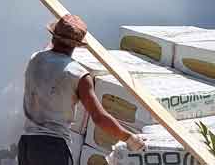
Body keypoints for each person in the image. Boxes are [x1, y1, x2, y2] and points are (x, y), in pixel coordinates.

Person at [18, 14, 145, 165]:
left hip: (26, 144)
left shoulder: (35, 59)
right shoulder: (78, 74)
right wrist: (128, 137)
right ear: (77, 45)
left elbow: (49, 52)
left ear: (53, 36)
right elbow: (99, 117)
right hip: (52, 148)